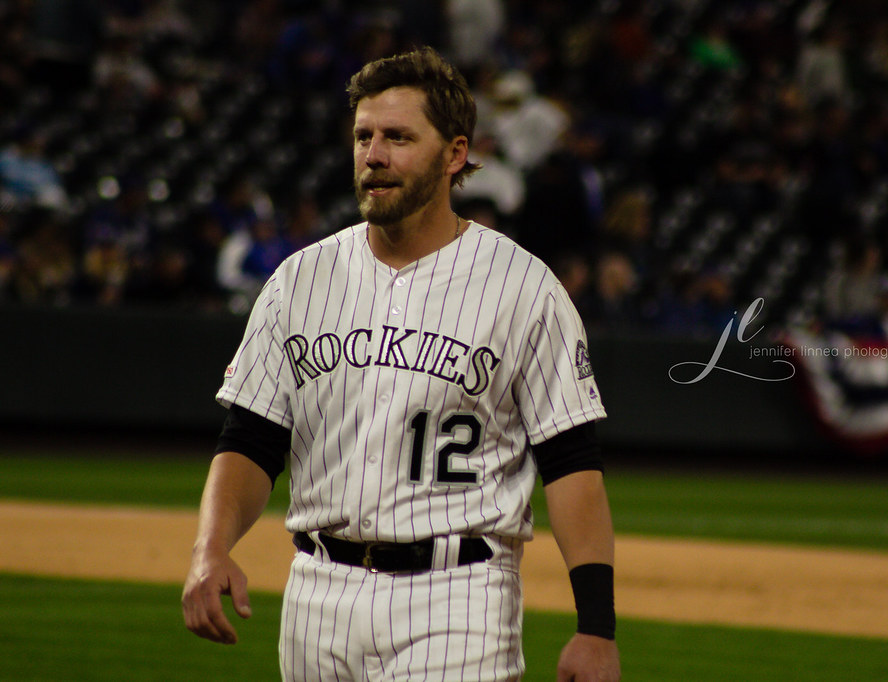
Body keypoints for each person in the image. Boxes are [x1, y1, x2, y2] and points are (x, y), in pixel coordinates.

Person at [182, 46, 620, 682]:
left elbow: (572, 464)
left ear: (454, 155)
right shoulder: (299, 280)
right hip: (316, 596)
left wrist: (596, 628)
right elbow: (250, 440)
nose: (373, 155)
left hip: (458, 598)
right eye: (363, 136)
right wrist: (210, 547)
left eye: (397, 137)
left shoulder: (523, 286)